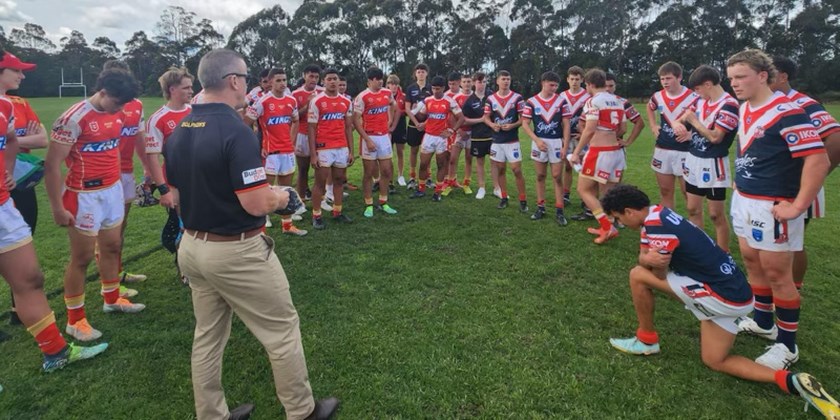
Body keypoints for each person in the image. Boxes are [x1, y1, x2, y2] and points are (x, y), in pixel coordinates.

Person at [164, 48, 339, 420]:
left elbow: (176, 194)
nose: (247, 84)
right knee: (282, 331)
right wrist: (284, 196)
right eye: (244, 77)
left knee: (207, 338)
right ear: (232, 81)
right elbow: (257, 202)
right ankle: (302, 411)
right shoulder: (235, 129)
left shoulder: (179, 128)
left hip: (193, 246)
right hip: (235, 250)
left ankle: (212, 415)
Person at [601, 184, 840, 419]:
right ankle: (791, 381)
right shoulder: (660, 213)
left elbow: (657, 274)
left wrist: (646, 261)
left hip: (722, 297)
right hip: (738, 294)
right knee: (714, 360)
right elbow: (648, 254)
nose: (621, 225)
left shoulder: (655, 226)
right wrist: (646, 258)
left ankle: (646, 340)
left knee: (638, 276)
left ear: (629, 211)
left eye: (618, 219)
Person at [0, 50, 109, 371]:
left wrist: (9, 169)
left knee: (31, 278)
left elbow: (9, 139)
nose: (22, 76)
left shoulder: (6, 105)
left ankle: (56, 353)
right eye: (15, 70)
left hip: (4, 205)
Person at [726, 49, 830, 370]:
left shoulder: (788, 111)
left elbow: (818, 159)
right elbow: (751, 148)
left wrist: (798, 205)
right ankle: (762, 322)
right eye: (730, 79)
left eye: (740, 77)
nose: (734, 84)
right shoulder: (745, 109)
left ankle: (787, 346)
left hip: (772, 204)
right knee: (752, 261)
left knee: (778, 274)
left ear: (762, 76)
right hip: (745, 198)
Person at [45, 67, 146, 343]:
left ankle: (111, 298)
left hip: (112, 190)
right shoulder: (73, 118)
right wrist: (56, 207)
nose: (121, 109)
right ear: (102, 92)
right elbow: (52, 166)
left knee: (112, 246)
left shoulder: (120, 112)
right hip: (83, 196)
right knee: (82, 258)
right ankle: (75, 321)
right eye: (117, 102)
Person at [770, 56, 840, 292]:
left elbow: (836, 138)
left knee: (793, 241)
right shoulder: (768, 102)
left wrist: (814, 176)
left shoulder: (802, 103)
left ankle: (794, 288)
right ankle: (779, 285)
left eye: (769, 72)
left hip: (797, 187)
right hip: (775, 185)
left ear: (783, 76)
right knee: (778, 239)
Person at [677, 65, 738, 251]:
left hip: (714, 163)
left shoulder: (729, 104)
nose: (696, 94)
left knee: (715, 214)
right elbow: (681, 118)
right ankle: (699, 250)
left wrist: (693, 121)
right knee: (693, 209)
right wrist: (678, 124)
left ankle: (722, 254)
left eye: (697, 89)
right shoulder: (701, 101)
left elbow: (715, 137)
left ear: (708, 84)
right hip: (693, 159)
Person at [245, 67, 308, 236]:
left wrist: (292, 140)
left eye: (284, 80)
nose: (282, 83)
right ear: (271, 82)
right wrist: (258, 145)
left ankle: (287, 226)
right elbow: (245, 123)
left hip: (287, 151)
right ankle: (262, 226)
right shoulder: (262, 102)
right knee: (265, 188)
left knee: (286, 188)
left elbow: (295, 121)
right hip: (270, 152)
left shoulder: (291, 101)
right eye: (278, 80)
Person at [146, 67, 194, 284]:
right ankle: (184, 268)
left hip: (200, 178)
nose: (191, 91)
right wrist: (163, 189)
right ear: (172, 89)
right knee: (183, 225)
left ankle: (200, 264)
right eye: (187, 87)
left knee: (201, 223)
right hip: (175, 181)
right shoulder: (158, 119)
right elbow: (152, 158)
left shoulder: (195, 111)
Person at [106, 60, 152, 284]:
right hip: (104, 175)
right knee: (106, 231)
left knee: (120, 227)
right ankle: (110, 282)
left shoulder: (137, 105)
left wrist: (146, 166)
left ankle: (117, 273)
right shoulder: (104, 105)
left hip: (125, 172)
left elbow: (139, 138)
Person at [568, 69, 626, 244]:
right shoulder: (617, 100)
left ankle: (608, 228)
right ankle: (608, 225)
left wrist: (577, 152)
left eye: (586, 84)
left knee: (584, 189)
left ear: (590, 84)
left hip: (600, 152)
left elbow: (590, 128)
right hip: (616, 152)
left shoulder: (593, 101)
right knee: (607, 194)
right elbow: (622, 129)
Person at [6, 91, 47, 326]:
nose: (21, 76)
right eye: (16, 70)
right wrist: (21, 141)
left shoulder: (19, 103)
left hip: (20, 182)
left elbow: (42, 140)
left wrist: (11, 142)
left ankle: (17, 308)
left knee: (23, 240)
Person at [645, 61, 699, 210]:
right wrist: (653, 125)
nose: (665, 82)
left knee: (688, 193)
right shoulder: (657, 96)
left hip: (685, 151)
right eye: (662, 79)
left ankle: (693, 228)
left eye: (668, 78)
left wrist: (691, 134)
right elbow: (649, 108)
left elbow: (706, 120)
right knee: (665, 191)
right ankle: (670, 226)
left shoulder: (694, 97)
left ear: (679, 77)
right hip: (662, 149)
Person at [521, 71, 569, 225]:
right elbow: (525, 124)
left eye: (556, 85)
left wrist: (565, 146)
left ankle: (559, 210)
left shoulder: (561, 102)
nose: (554, 88)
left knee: (557, 176)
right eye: (551, 85)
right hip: (539, 142)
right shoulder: (532, 102)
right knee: (540, 175)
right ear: (543, 83)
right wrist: (536, 140)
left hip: (556, 142)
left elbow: (566, 124)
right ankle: (540, 207)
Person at [308, 68, 354, 229]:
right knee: (320, 183)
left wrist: (351, 151)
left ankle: (338, 211)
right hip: (324, 148)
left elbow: (348, 127)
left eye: (335, 79)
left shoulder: (346, 101)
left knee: (339, 181)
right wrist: (313, 154)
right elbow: (311, 129)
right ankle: (316, 215)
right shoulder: (317, 101)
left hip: (341, 147)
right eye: (329, 79)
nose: (333, 82)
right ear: (323, 81)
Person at [354, 66, 398, 217]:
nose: (380, 82)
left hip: (384, 137)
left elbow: (393, 105)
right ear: (369, 81)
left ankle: (383, 202)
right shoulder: (362, 97)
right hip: (369, 138)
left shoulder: (387, 93)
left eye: (381, 79)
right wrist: (367, 140)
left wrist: (390, 120)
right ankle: (368, 204)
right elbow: (355, 121)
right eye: (377, 80)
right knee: (368, 173)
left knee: (386, 171)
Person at [411, 76, 464, 202]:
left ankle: (438, 191)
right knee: (423, 164)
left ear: (443, 88)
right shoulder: (427, 100)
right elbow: (421, 115)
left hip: (442, 138)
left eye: (438, 89)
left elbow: (461, 118)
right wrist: (415, 111)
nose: (435, 91)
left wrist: (451, 131)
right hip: (428, 136)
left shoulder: (450, 101)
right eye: (433, 88)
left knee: (441, 165)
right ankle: (421, 189)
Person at [484, 70, 527, 211]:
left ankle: (523, 200)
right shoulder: (491, 99)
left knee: (516, 170)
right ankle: (503, 197)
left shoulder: (517, 98)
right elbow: (486, 117)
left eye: (508, 79)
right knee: (501, 169)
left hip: (512, 141)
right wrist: (492, 125)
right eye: (503, 79)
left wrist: (513, 125)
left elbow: (523, 119)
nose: (506, 81)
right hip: (497, 141)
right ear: (497, 81)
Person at [559, 66, 591, 209]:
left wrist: (583, 134)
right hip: (565, 137)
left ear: (582, 80)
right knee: (567, 167)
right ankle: (566, 194)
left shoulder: (588, 97)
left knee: (584, 167)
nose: (574, 82)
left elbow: (591, 119)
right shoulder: (561, 96)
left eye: (577, 79)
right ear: (567, 79)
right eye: (572, 79)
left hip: (581, 138)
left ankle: (586, 197)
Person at [291, 65, 324, 202]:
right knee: (303, 169)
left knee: (321, 169)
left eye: (316, 77)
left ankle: (320, 199)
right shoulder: (295, 94)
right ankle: (301, 199)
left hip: (320, 134)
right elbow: (293, 116)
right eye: (311, 76)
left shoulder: (323, 92)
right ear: (304, 76)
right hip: (302, 134)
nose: (314, 80)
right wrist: (307, 105)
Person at [463, 72, 492, 199]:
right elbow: (464, 120)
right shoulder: (469, 101)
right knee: (480, 162)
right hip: (478, 136)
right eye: (479, 82)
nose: (482, 85)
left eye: (484, 82)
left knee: (496, 162)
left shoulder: (492, 96)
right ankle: (482, 188)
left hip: (493, 136)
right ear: (474, 83)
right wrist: (481, 120)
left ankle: (497, 188)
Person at [404, 63, 433, 190]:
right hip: (413, 124)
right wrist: (416, 123)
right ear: (415, 74)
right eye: (418, 71)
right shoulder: (411, 88)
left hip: (428, 125)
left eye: (423, 71)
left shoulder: (431, 88)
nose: (421, 73)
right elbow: (407, 108)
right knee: (414, 150)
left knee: (427, 152)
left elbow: (434, 109)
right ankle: (412, 177)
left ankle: (428, 177)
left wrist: (425, 123)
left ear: (427, 73)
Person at [441, 71, 470, 196]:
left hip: (463, 131)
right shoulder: (446, 95)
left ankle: (455, 180)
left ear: (459, 82)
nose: (451, 86)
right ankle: (447, 180)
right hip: (450, 130)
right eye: (449, 84)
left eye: (454, 84)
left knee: (464, 157)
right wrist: (457, 130)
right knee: (448, 157)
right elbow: (449, 116)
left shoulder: (465, 95)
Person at [387, 74, 408, 186]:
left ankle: (400, 175)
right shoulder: (384, 96)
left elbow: (407, 110)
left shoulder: (403, 96)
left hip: (400, 126)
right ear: (388, 85)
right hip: (387, 127)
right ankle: (389, 176)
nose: (394, 86)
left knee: (400, 152)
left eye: (396, 84)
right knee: (388, 154)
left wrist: (400, 111)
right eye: (392, 84)